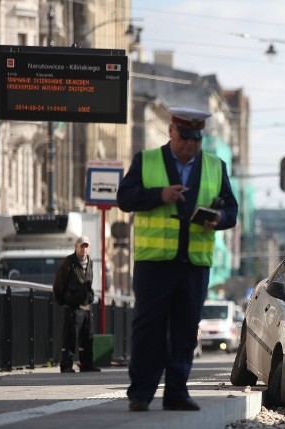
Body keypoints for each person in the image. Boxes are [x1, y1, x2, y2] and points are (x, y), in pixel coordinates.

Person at [117, 106, 239, 412]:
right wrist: (160, 195)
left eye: (196, 139)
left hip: (194, 263)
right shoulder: (146, 161)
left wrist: (220, 217)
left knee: (185, 330)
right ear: (171, 131)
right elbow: (125, 198)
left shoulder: (215, 165)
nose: (190, 144)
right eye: (185, 138)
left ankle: (176, 392)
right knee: (149, 329)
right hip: (154, 262)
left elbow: (232, 211)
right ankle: (141, 393)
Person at [52, 235, 99, 373]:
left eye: (86, 246)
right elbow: (59, 283)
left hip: (86, 306)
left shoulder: (90, 261)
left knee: (88, 337)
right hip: (73, 306)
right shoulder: (69, 262)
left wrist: (90, 297)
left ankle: (87, 364)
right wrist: (63, 300)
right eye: (82, 246)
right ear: (76, 247)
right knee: (70, 337)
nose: (84, 249)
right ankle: (66, 365)